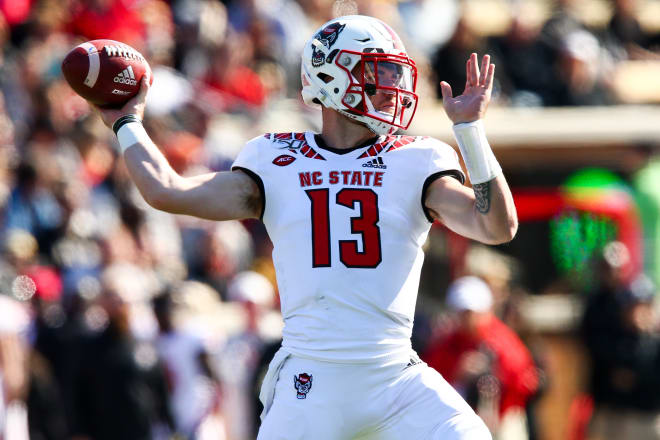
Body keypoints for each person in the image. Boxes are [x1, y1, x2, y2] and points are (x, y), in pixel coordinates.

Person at [92, 14, 517, 440]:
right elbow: (168, 191)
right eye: (377, 72)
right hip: (311, 382)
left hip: (394, 376)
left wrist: (470, 133)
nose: (393, 87)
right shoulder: (275, 159)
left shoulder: (417, 159)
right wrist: (127, 123)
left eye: (394, 72)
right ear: (331, 74)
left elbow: (496, 227)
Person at [424, 276, 539, 439]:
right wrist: (458, 373)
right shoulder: (448, 342)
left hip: (503, 417)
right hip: (459, 421)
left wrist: (495, 371)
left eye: (471, 313)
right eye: (462, 313)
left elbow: (524, 378)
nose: (467, 319)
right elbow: (429, 379)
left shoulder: (501, 339)